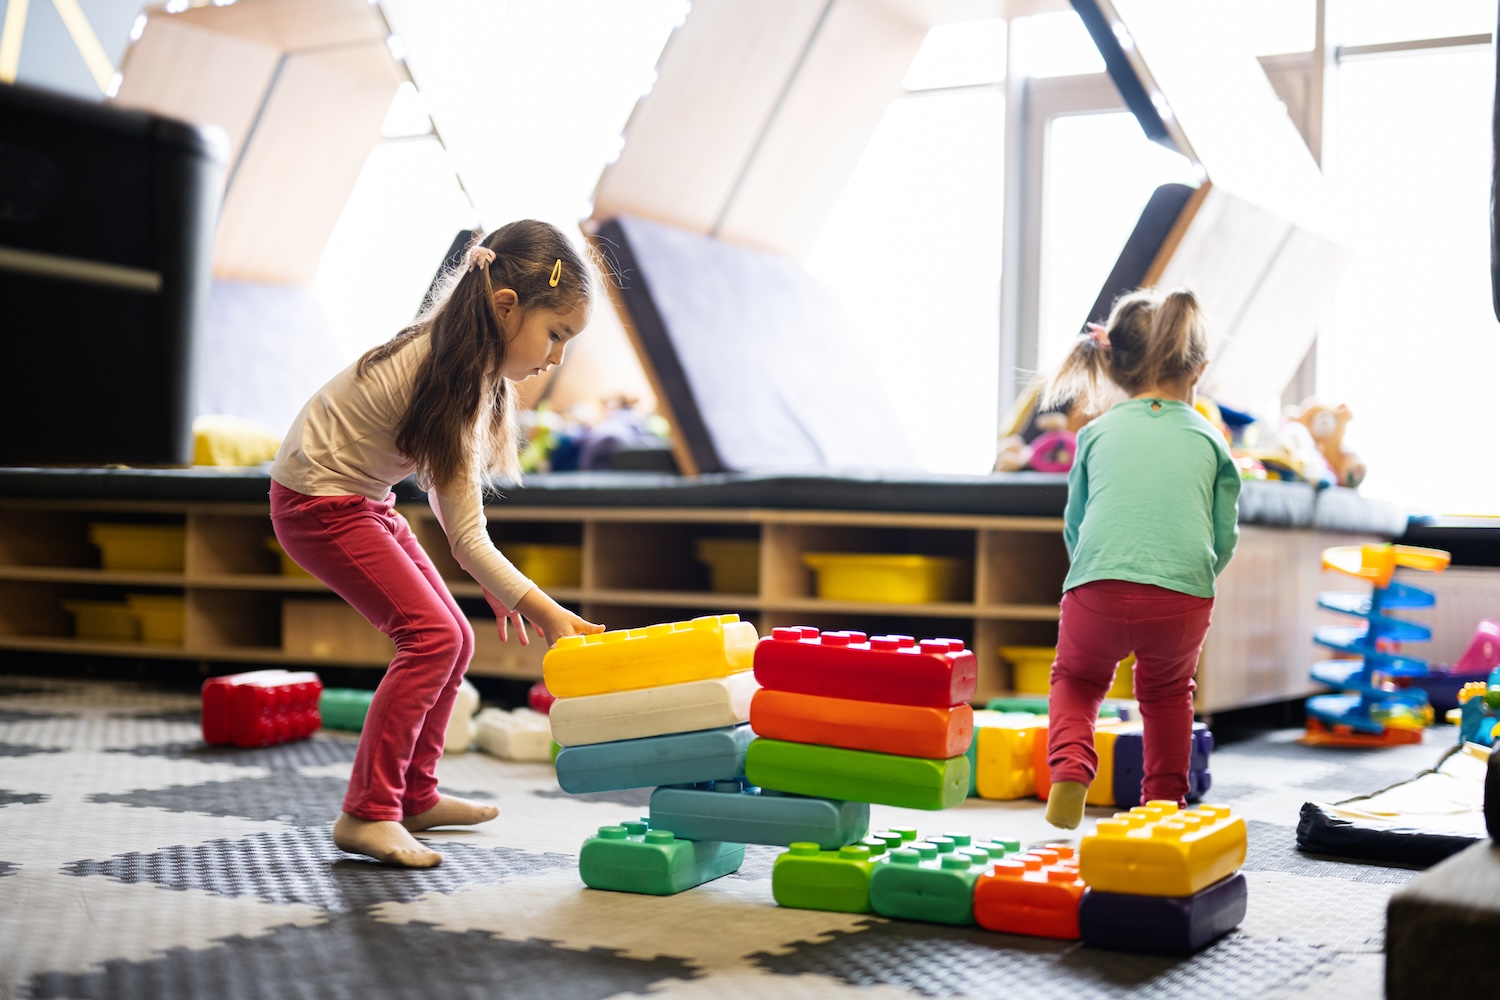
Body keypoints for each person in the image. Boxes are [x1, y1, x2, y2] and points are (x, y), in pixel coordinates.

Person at [270, 220, 606, 867]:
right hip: (318, 503)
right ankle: (368, 811)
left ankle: (414, 795)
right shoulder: (449, 376)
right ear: (506, 306)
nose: (556, 357)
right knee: (433, 638)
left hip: (358, 498)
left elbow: (463, 533)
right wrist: (548, 612)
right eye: (556, 334)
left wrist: (510, 590)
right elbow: (468, 539)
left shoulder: (468, 365)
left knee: (455, 635)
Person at [1036, 287, 1240, 830]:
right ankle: (1163, 803)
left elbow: (1075, 524)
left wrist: (1090, 574)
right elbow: (1224, 534)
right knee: (1168, 692)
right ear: (1198, 370)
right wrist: (1194, 580)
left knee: (1077, 680)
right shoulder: (1212, 440)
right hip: (1182, 593)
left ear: (1111, 364)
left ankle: (1071, 770)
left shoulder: (1095, 432)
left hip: (1097, 583)